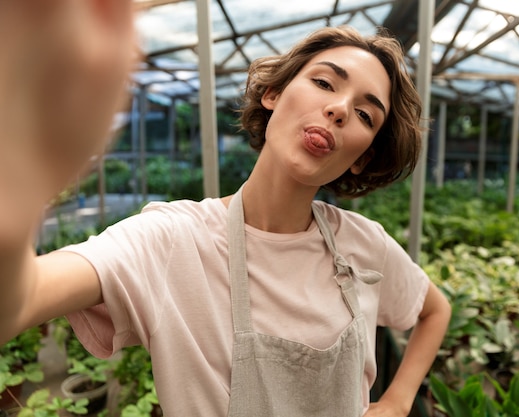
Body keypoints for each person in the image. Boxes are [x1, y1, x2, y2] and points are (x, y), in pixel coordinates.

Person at [0, 1, 451, 415]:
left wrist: (396, 401)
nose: (338, 108)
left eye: (366, 115)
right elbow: (19, 304)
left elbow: (435, 311)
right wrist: (20, 179)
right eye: (323, 82)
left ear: (362, 156)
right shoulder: (173, 241)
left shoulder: (363, 244)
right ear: (273, 93)